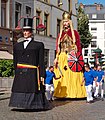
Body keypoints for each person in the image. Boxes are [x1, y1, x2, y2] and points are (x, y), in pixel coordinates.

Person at [9, 17, 52, 110]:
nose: (25, 33)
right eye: (24, 31)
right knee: (20, 87)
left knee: (32, 88)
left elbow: (41, 61)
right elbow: (15, 60)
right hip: (20, 72)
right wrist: (16, 72)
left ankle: (34, 104)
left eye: (27, 31)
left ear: (31, 32)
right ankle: (19, 104)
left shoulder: (38, 45)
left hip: (32, 72)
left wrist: (42, 74)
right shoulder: (17, 46)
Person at [53, 11, 86, 98]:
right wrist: (56, 58)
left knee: (73, 74)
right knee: (62, 74)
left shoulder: (74, 33)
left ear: (70, 22)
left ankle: (74, 93)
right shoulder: (60, 34)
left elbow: (78, 45)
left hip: (72, 57)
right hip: (62, 56)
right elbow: (58, 47)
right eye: (64, 21)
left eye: (67, 21)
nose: (65, 23)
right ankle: (62, 93)